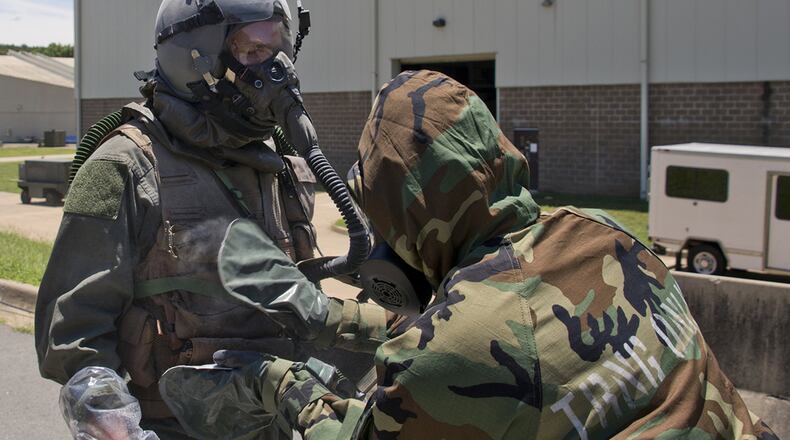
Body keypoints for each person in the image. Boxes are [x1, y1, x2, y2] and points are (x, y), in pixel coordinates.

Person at [160, 70, 778, 439]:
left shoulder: (447, 358)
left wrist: (282, 384)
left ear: (405, 210)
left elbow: (363, 427)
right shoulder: (607, 235)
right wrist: (330, 317)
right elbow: (498, 323)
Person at [35, 0, 387, 438]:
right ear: (193, 58)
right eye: (251, 49)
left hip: (276, 422)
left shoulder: (277, 162)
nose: (274, 65)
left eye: (276, 45)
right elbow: (75, 344)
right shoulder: (125, 167)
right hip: (173, 425)